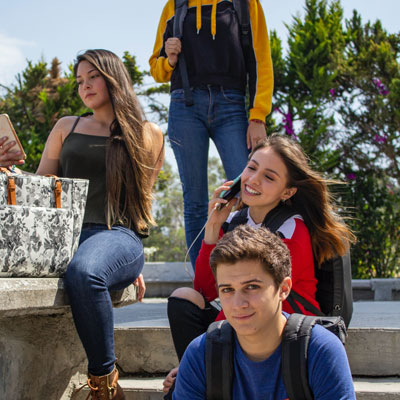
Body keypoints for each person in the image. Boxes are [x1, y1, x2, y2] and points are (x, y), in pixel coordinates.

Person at [0, 49, 164, 400]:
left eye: (92, 77)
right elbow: (41, 190)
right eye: (79, 81)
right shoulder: (66, 126)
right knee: (84, 267)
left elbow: (142, 202)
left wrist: (122, 261)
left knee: (86, 272)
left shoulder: (148, 133)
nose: (84, 86)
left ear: (112, 77)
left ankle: (103, 385)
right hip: (64, 236)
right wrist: (8, 169)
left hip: (116, 235)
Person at [163, 134, 355, 394]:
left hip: (287, 328)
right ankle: (200, 373)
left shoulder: (292, 230)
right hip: (248, 319)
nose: (253, 180)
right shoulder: (235, 221)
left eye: (269, 177)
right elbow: (210, 291)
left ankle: (205, 371)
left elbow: (257, 299)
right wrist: (214, 226)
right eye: (252, 168)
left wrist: (209, 352)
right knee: (184, 298)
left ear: (287, 191)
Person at [149, 0, 274, 268]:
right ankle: (202, 281)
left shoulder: (245, 4)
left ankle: (251, 271)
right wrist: (169, 59)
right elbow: (156, 69)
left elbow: (261, 59)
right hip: (185, 105)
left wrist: (257, 115)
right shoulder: (175, 6)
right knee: (194, 201)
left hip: (232, 105)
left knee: (247, 190)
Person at [173, 224, 356, 399]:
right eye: (227, 290)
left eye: (252, 287)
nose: (238, 303)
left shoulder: (320, 351)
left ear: (284, 289)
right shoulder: (201, 354)